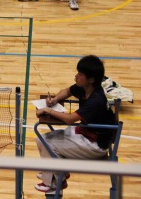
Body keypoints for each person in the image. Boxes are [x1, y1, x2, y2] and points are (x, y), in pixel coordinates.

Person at [35, 55, 115, 195]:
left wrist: (48, 110)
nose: (76, 76)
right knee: (40, 140)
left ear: (91, 79)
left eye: (80, 74)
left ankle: (53, 184)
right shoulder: (85, 88)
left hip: (94, 145)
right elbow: (67, 91)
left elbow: (69, 119)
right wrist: (54, 100)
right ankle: (59, 173)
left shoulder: (96, 100)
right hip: (84, 133)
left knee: (47, 142)